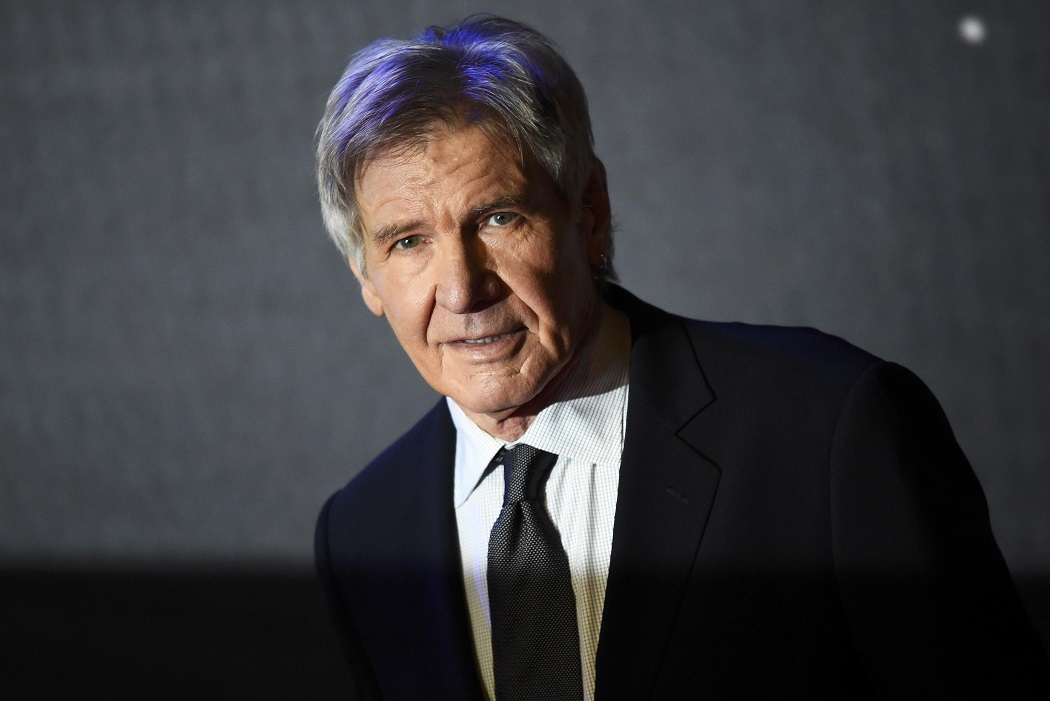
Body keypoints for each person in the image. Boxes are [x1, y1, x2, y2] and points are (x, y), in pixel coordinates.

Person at [313, 14, 1048, 700]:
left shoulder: (829, 429)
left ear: (590, 213)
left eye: (500, 217)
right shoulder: (363, 530)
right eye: (407, 241)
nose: (463, 288)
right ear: (367, 279)